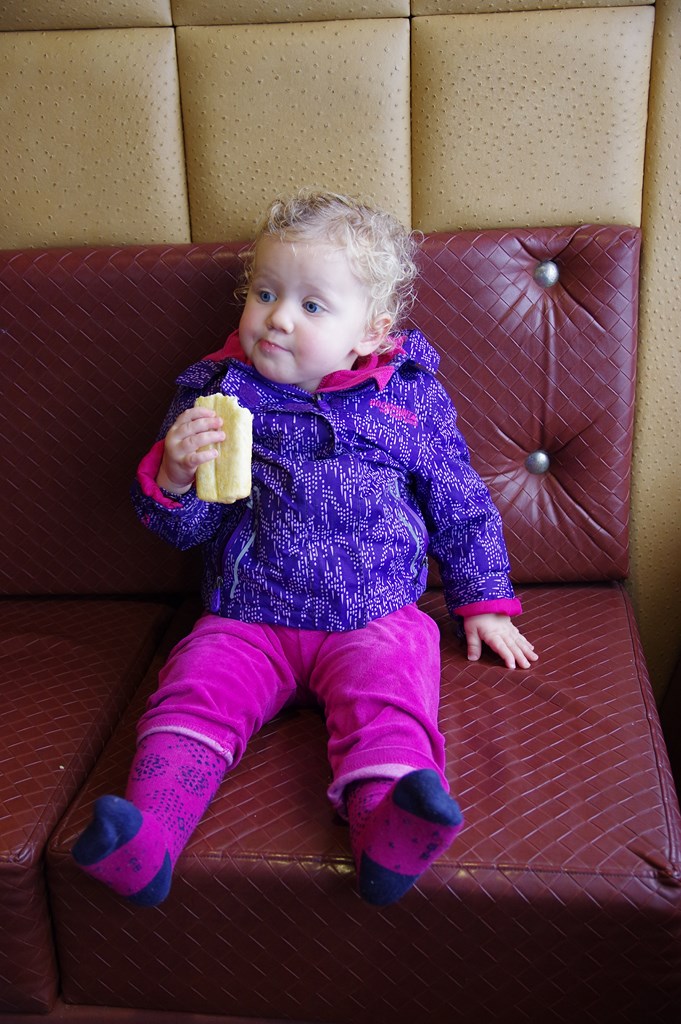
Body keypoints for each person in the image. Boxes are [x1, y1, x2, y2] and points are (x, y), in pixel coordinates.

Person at [72, 189, 537, 908]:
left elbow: (459, 500)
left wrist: (483, 600)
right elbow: (188, 531)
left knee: (391, 700)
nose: (278, 318)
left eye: (312, 305)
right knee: (194, 692)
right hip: (248, 615)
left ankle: (386, 830)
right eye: (264, 293)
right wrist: (174, 477)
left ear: (371, 332)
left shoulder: (409, 398)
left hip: (374, 614)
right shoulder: (214, 395)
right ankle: (147, 837)